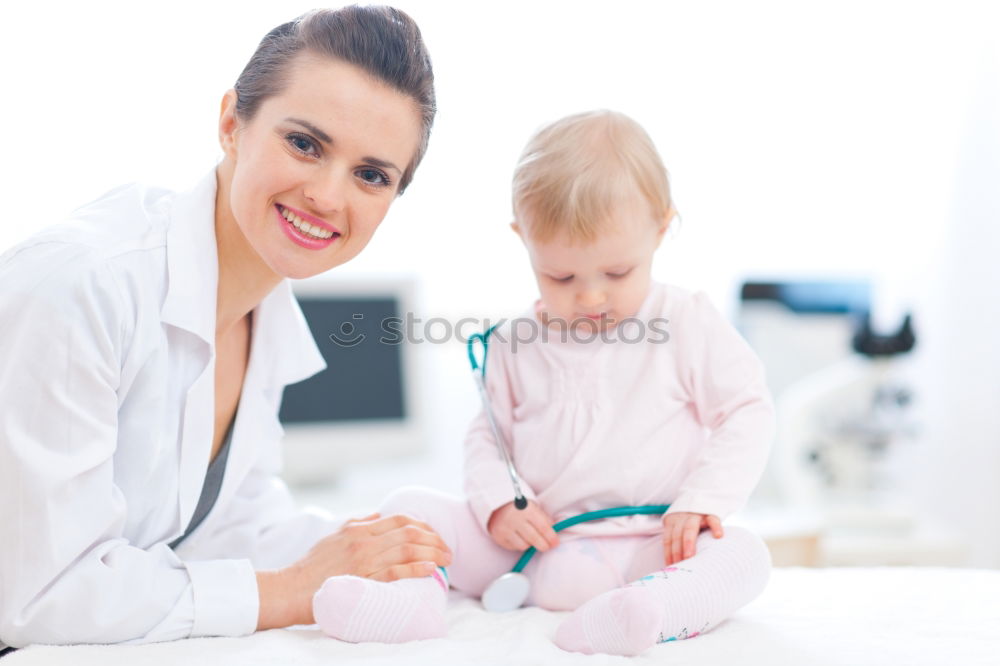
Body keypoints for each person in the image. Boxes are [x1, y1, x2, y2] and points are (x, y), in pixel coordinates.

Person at [0, 6, 452, 650]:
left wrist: (390, 545)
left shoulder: (261, 312)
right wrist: (296, 587)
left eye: (371, 175)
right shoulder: (81, 287)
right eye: (305, 143)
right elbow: (36, 594)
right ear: (231, 124)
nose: (328, 196)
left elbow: (229, 528)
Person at [311, 110, 775, 656]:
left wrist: (702, 501)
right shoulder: (513, 343)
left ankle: (651, 609)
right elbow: (488, 437)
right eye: (561, 276)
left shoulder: (688, 323)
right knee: (407, 506)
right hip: (530, 551)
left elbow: (747, 410)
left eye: (618, 273)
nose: (591, 297)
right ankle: (414, 602)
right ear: (523, 239)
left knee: (744, 553)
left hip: (645, 549)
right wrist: (502, 504)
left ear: (662, 229)